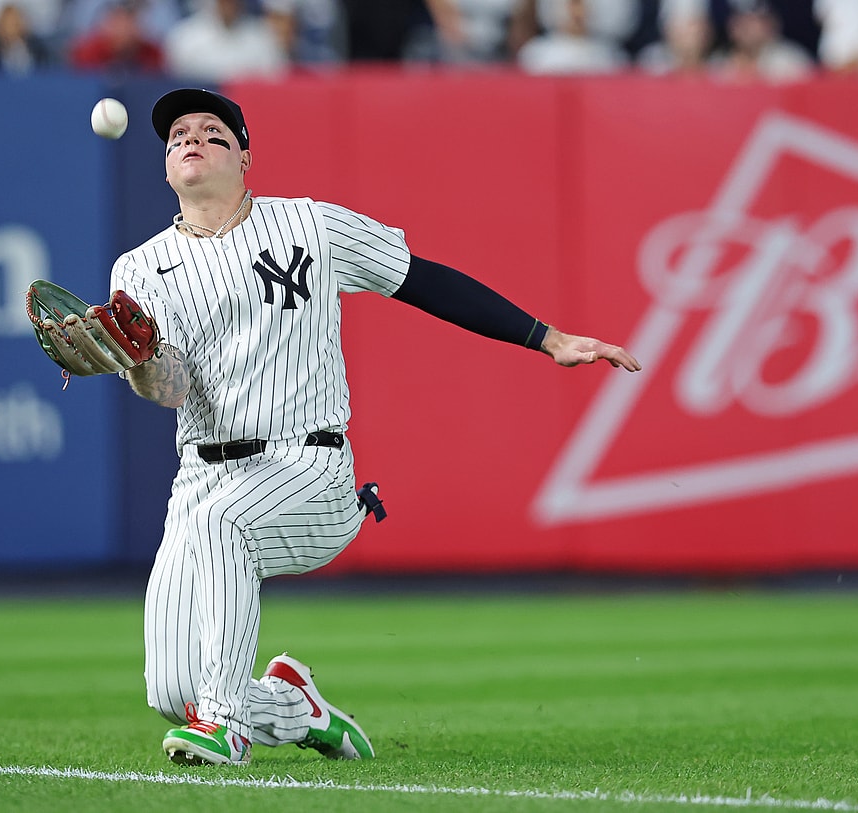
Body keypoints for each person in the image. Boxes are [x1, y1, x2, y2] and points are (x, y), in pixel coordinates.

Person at [110, 87, 641, 766]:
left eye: (213, 132)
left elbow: (421, 280)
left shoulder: (311, 226)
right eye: (178, 133)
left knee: (225, 531)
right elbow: (170, 389)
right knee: (170, 687)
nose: (191, 139)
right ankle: (290, 704)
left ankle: (224, 727)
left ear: (246, 158)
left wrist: (548, 337)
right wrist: (135, 361)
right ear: (164, 167)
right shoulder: (140, 267)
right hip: (202, 478)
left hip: (311, 468)